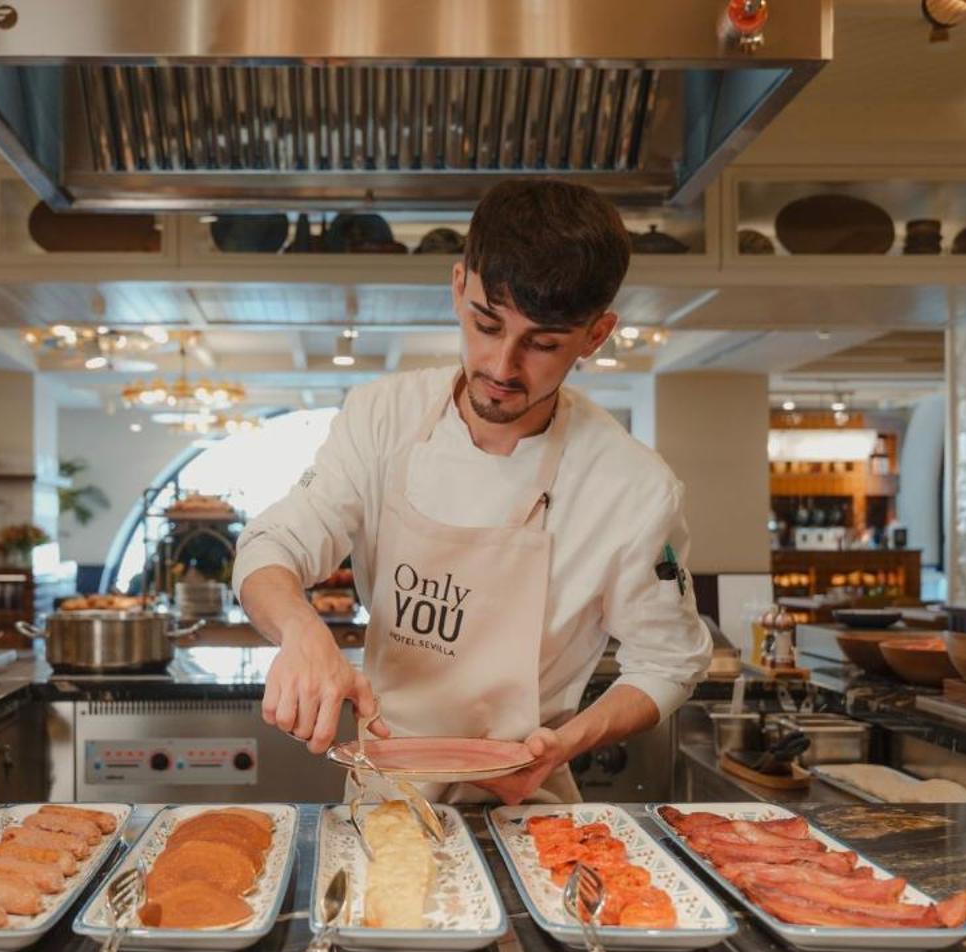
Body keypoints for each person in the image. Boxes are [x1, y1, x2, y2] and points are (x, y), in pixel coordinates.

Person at [231, 178, 713, 804]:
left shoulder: (633, 487)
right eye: (487, 323)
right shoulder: (384, 417)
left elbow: (669, 662)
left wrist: (569, 741)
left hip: (530, 808)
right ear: (460, 287)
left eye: (543, 344)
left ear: (596, 335)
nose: (502, 367)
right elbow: (271, 544)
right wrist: (302, 635)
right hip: (387, 799)